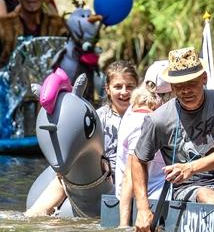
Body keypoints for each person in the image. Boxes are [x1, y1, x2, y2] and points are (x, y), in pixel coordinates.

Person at [130, 47, 214, 232]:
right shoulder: (158, 119)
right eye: (178, 85)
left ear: (204, 79)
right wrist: (143, 209)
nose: (185, 90)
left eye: (191, 83)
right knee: (207, 195)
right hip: (189, 188)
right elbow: (138, 160)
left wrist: (190, 167)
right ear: (172, 87)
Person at [27, 60, 138, 218]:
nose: (124, 92)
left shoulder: (139, 117)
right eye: (118, 86)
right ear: (107, 89)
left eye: (130, 86)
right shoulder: (97, 117)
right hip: (97, 172)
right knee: (62, 180)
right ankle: (33, 214)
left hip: (123, 175)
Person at [114, 61, 173, 227]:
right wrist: (124, 226)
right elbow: (130, 174)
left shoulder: (144, 108)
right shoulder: (142, 119)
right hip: (149, 197)